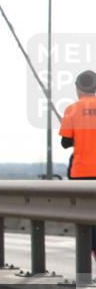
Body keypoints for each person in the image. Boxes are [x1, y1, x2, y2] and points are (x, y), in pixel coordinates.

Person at [59, 70, 96, 260]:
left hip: (81, 174)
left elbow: (65, 142)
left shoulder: (72, 110)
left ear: (79, 87)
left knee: (86, 222)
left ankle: (86, 270)